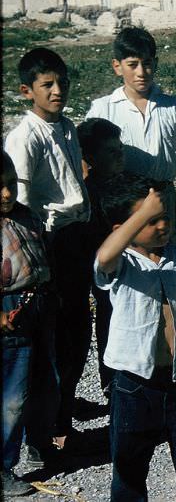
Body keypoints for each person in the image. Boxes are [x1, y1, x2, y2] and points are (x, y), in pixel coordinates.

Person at [95, 174, 176, 500]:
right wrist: (141, 215)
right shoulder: (122, 264)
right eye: (150, 220)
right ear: (122, 229)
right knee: (130, 460)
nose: (161, 225)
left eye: (163, 217)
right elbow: (104, 256)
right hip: (134, 383)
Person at [4, 47, 92, 456]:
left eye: (62, 82)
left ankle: (63, 405)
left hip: (76, 236)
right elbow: (16, 200)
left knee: (77, 329)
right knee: (53, 336)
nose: (58, 91)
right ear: (27, 91)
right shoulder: (25, 136)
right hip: (48, 243)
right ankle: (47, 426)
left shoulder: (67, 127)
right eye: (47, 85)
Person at [86, 26, 176, 242]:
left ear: (155, 64)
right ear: (117, 67)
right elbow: (87, 160)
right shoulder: (103, 108)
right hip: (123, 202)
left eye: (147, 63)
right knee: (129, 260)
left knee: (168, 254)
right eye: (132, 65)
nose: (141, 72)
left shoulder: (172, 107)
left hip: (163, 196)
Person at [1, 153, 56, 497]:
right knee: (11, 395)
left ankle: (40, 444)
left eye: (9, 185)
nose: (6, 194)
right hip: (9, 313)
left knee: (46, 382)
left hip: (39, 304)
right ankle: (3, 467)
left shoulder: (27, 216)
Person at [77, 118, 126, 397]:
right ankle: (111, 379)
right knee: (109, 319)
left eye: (121, 148)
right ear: (91, 158)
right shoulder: (88, 194)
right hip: (104, 273)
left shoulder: (128, 185)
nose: (120, 155)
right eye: (111, 151)